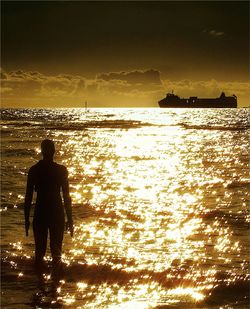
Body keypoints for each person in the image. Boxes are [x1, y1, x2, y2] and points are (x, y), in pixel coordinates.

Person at [24, 139, 73, 278]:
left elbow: (28, 197)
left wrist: (26, 219)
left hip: (40, 213)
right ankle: (56, 286)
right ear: (54, 152)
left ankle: (39, 285)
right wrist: (70, 219)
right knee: (57, 252)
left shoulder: (34, 170)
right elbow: (66, 197)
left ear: (41, 152)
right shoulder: (61, 170)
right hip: (56, 213)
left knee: (39, 252)